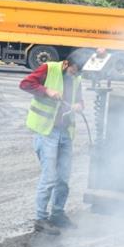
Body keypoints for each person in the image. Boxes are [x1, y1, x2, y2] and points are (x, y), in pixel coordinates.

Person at [20, 54, 84, 234]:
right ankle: (40, 219)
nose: (74, 75)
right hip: (47, 131)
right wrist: (47, 90)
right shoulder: (49, 69)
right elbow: (25, 84)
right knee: (49, 177)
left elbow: (79, 99)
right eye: (72, 71)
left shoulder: (77, 77)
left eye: (77, 73)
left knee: (63, 178)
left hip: (65, 133)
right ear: (66, 64)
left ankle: (57, 214)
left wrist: (79, 104)